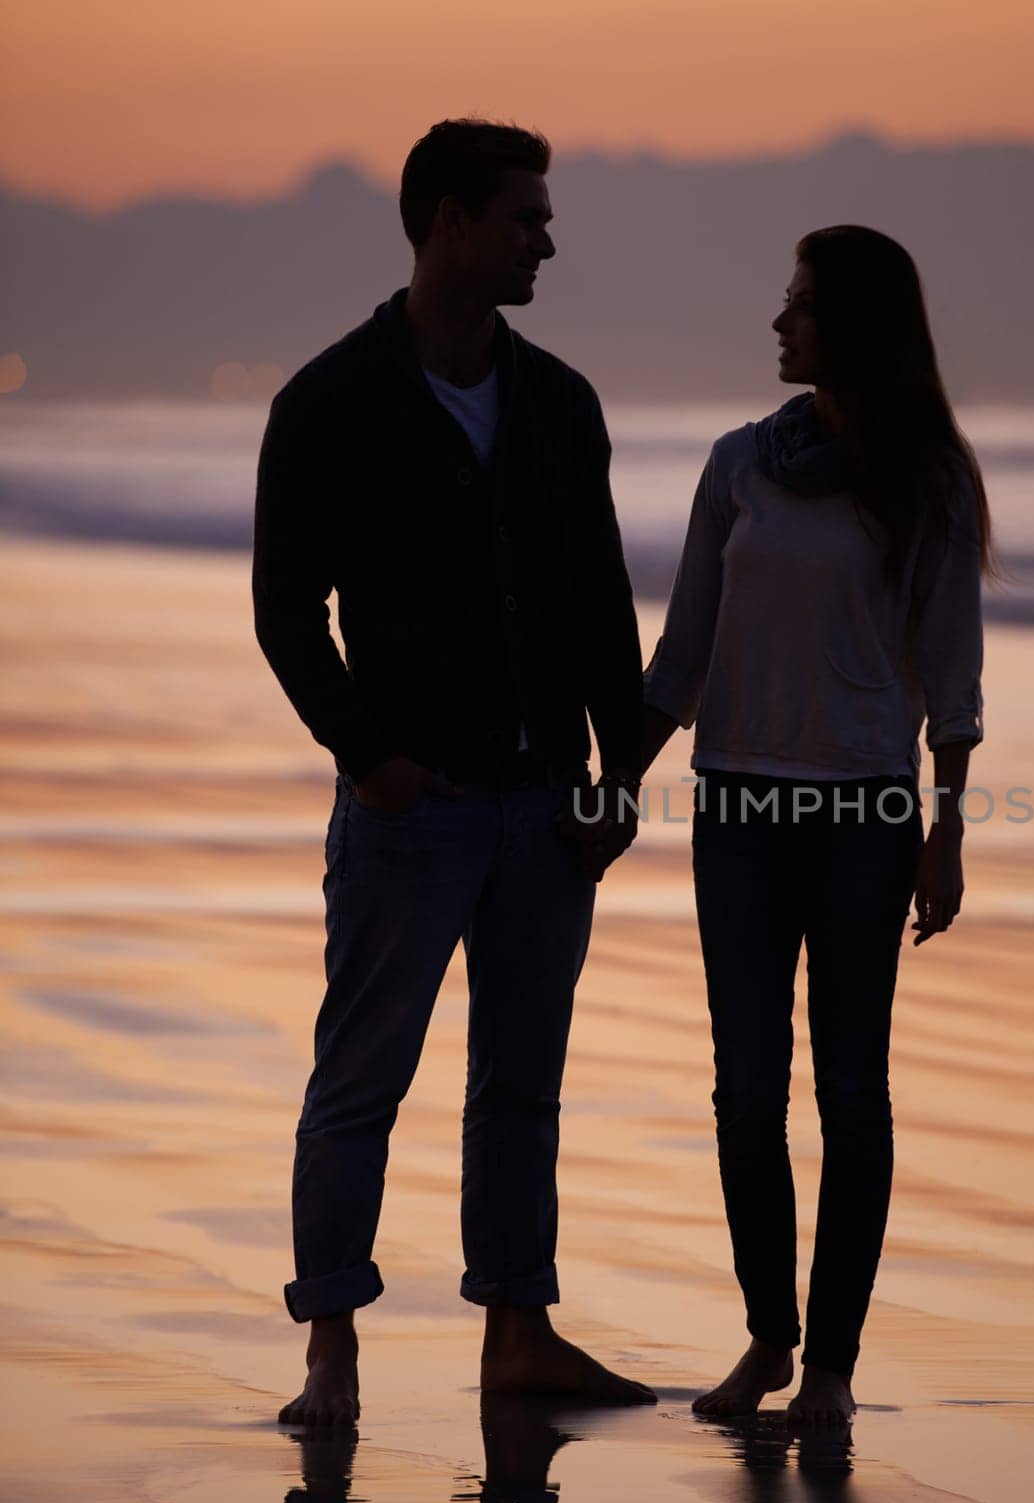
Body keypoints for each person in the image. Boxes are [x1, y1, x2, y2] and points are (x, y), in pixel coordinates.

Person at [253, 118, 652, 1427]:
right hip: (409, 809)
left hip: (545, 803)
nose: (547, 239)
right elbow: (283, 609)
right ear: (448, 224)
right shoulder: (331, 400)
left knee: (521, 1081)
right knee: (362, 1076)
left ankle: (517, 1337)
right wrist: (368, 761)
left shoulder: (561, 403)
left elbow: (599, 606)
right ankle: (331, 1351)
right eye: (526, 217)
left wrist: (617, 773)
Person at [637, 225, 992, 1425]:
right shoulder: (738, 466)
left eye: (798, 306)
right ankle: (767, 1341)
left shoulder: (926, 481)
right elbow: (681, 651)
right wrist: (604, 787)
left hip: (863, 815)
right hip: (735, 805)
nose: (778, 325)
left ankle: (831, 1369)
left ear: (854, 324)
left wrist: (946, 829)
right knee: (747, 1087)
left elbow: (951, 669)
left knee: (853, 1089)